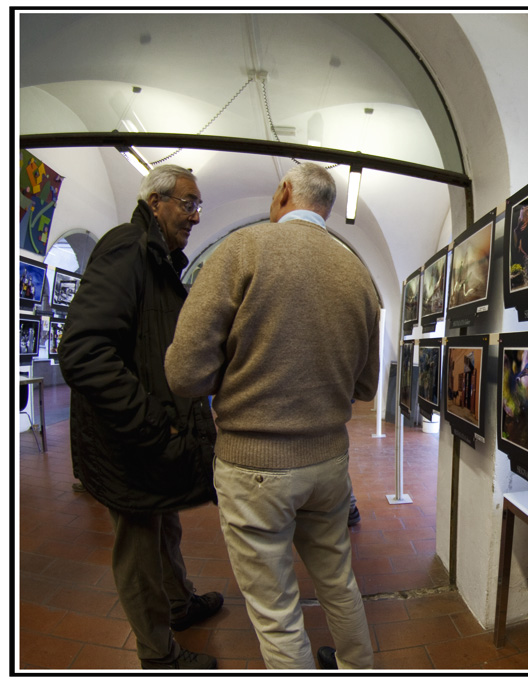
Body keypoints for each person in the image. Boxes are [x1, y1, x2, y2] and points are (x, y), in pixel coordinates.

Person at [164, 162, 379, 670]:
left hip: (254, 465)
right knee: (338, 580)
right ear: (326, 206)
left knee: (276, 610)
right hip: (328, 465)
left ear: (285, 191)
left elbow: (183, 372)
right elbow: (367, 387)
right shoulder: (358, 272)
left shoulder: (243, 249)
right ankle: (357, 667)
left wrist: (239, 373)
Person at [58, 164, 222, 670]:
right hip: (125, 440)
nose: (196, 216)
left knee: (164, 522)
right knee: (137, 549)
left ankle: (178, 603)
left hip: (149, 441)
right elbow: (84, 351)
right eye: (188, 203)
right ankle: (158, 653)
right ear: (156, 202)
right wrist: (154, 420)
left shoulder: (155, 258)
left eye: (198, 206)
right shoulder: (127, 248)